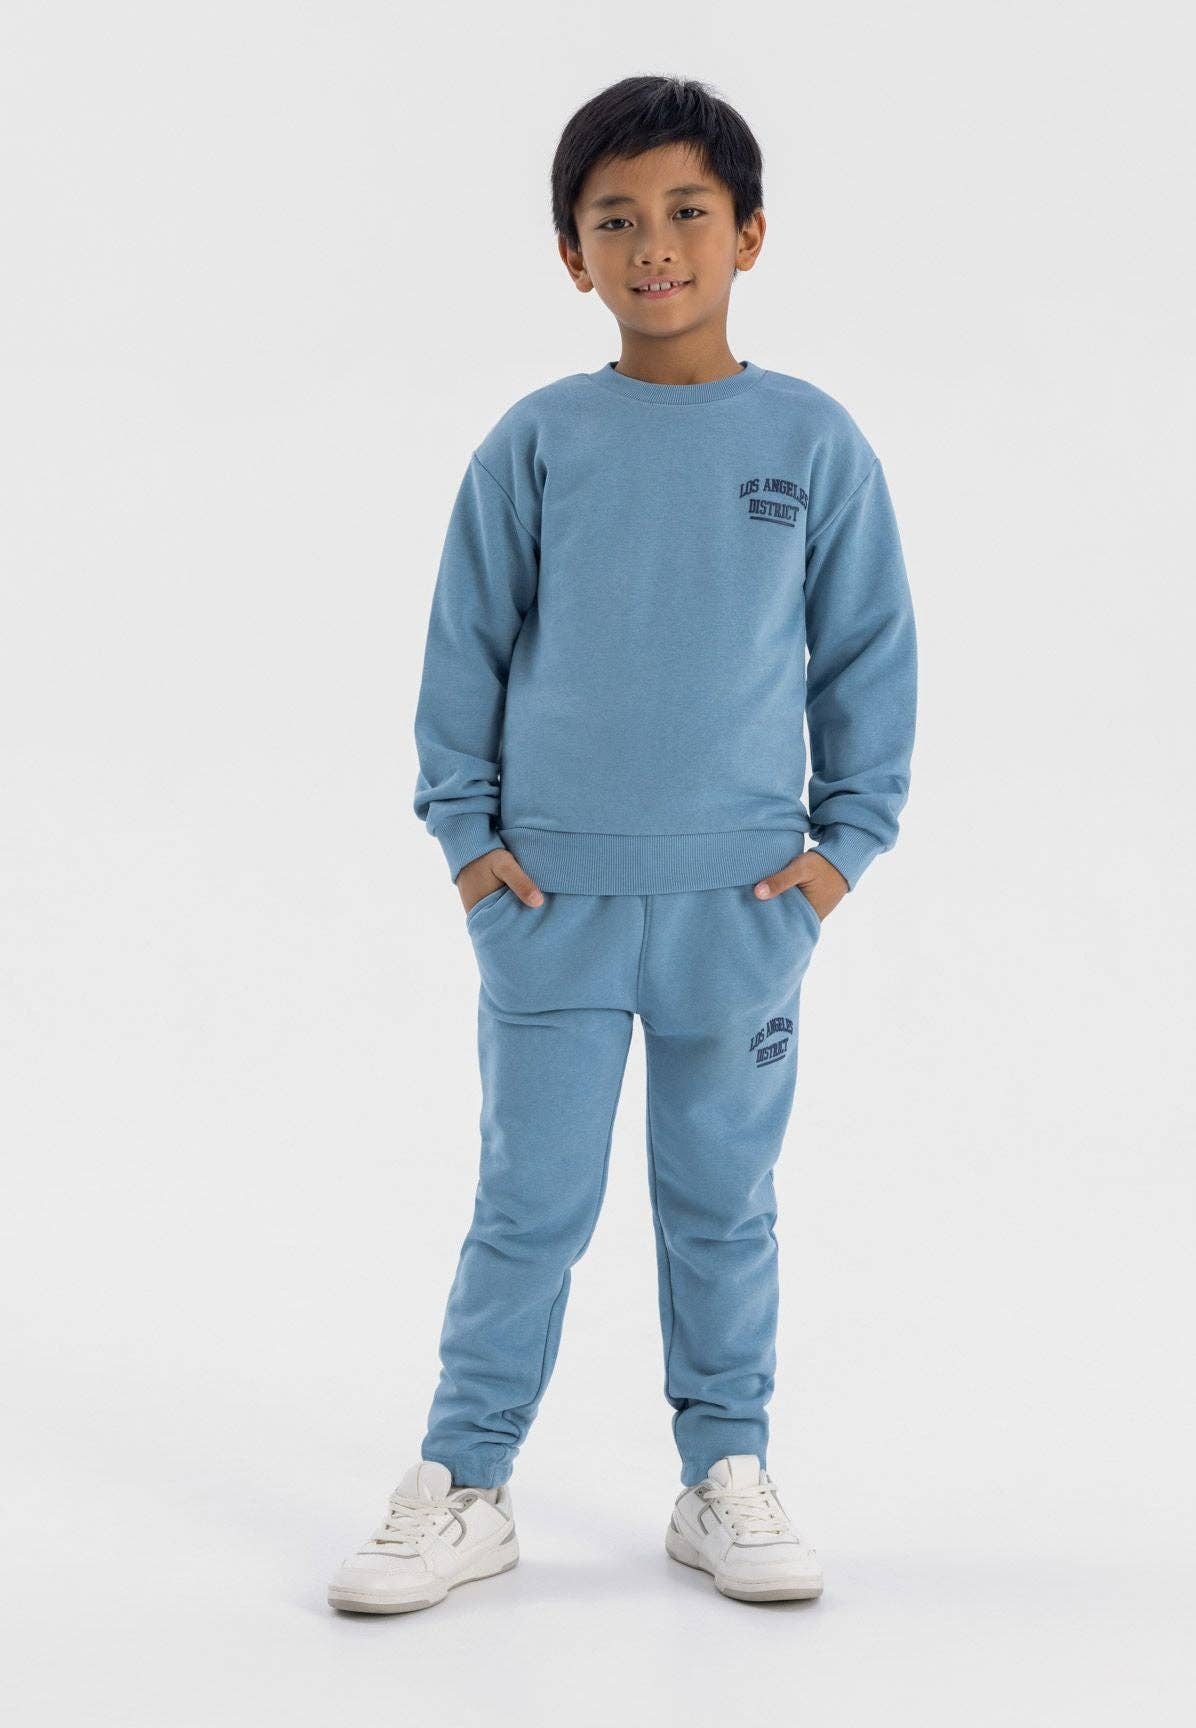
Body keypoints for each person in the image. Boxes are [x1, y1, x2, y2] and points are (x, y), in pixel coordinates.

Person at [328, 72, 918, 1614]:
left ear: (750, 235)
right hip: (551, 905)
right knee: (528, 1206)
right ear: (571, 254)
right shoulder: (537, 442)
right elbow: (464, 650)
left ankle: (725, 1470)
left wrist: (836, 860)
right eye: (615, 220)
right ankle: (465, 1482)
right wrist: (470, 850)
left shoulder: (813, 440)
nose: (654, 244)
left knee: (723, 1206)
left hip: (741, 907)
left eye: (687, 213)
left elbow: (866, 658)